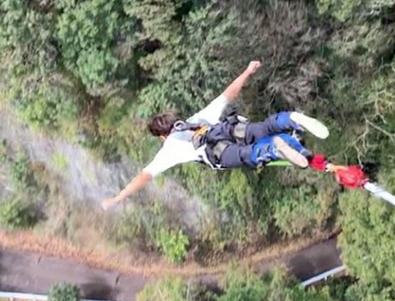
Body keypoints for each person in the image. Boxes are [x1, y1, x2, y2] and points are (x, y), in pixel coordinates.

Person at [100, 60, 336, 211]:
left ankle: (274, 149)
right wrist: (248, 70)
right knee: (262, 128)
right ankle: (290, 119)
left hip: (219, 152)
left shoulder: (169, 149)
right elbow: (229, 94)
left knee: (250, 155)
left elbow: (143, 177)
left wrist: (117, 199)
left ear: (162, 136)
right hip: (229, 129)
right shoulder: (196, 119)